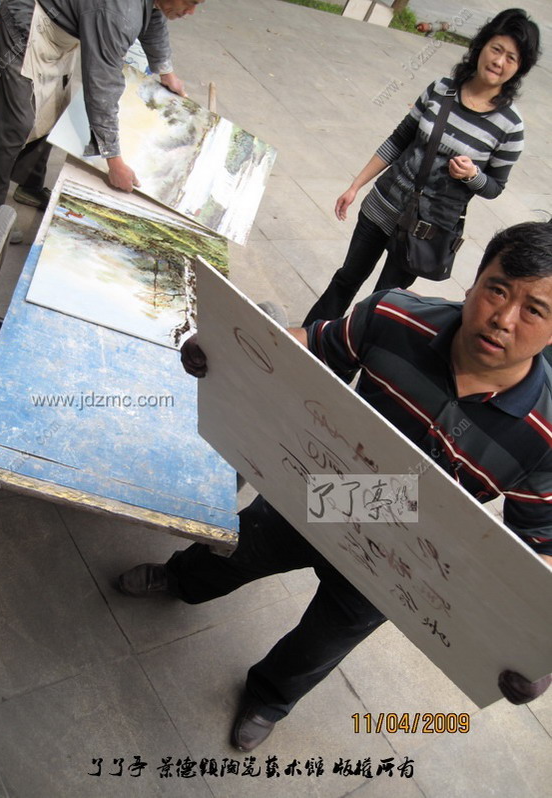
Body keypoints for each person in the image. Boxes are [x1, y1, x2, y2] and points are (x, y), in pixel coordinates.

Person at [117, 220, 552, 751]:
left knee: (323, 640)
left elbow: (539, 550)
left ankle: (269, 697)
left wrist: (533, 649)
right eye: (497, 290)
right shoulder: (394, 315)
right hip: (322, 490)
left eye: (535, 310)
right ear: (474, 281)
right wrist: (225, 350)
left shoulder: (545, 437)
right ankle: (179, 580)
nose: (504, 319)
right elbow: (309, 349)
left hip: (406, 558)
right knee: (237, 547)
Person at [303, 8, 540, 326]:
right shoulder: (441, 90)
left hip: (425, 230)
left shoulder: (510, 126)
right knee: (346, 279)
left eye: (511, 58)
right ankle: (308, 339)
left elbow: (494, 187)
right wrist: (355, 185)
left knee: (383, 304)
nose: (499, 62)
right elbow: (398, 140)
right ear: (481, 46)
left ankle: (349, 352)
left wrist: (472, 175)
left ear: (520, 68)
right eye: (496, 49)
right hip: (382, 206)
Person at [0, 0, 202, 243]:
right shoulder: (118, 14)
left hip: (61, 30)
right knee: (17, 120)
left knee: (52, 109)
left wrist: (167, 73)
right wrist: (114, 161)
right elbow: (102, 86)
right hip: (29, 21)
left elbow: (153, 18)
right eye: (189, 1)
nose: (191, 12)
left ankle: (28, 186)